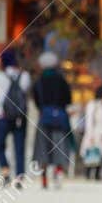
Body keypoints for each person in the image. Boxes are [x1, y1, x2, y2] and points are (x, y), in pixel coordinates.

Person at [0, 49, 31, 186]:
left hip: (3, 116)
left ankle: (5, 170)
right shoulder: (25, 76)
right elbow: (26, 91)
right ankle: (20, 177)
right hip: (20, 117)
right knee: (19, 147)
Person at [30, 52, 74, 189]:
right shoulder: (62, 80)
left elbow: (36, 100)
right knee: (59, 146)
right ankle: (58, 172)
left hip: (44, 117)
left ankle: (44, 178)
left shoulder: (39, 81)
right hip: (60, 118)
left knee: (43, 148)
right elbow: (68, 99)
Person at [78, 85, 102, 181]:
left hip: (101, 134)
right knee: (90, 153)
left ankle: (97, 174)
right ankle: (88, 174)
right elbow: (89, 120)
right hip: (93, 134)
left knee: (100, 154)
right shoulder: (92, 105)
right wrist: (90, 135)